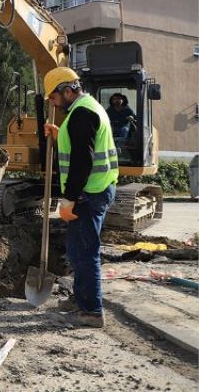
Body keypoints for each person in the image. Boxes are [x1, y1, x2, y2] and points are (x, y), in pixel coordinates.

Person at [42, 67, 118, 328]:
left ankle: (92, 312)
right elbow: (80, 142)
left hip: (90, 193)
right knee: (76, 250)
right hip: (94, 190)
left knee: (85, 253)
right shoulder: (84, 109)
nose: (52, 102)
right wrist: (58, 133)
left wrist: (70, 198)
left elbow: (82, 161)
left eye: (53, 97)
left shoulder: (82, 114)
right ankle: (81, 300)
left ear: (67, 90)